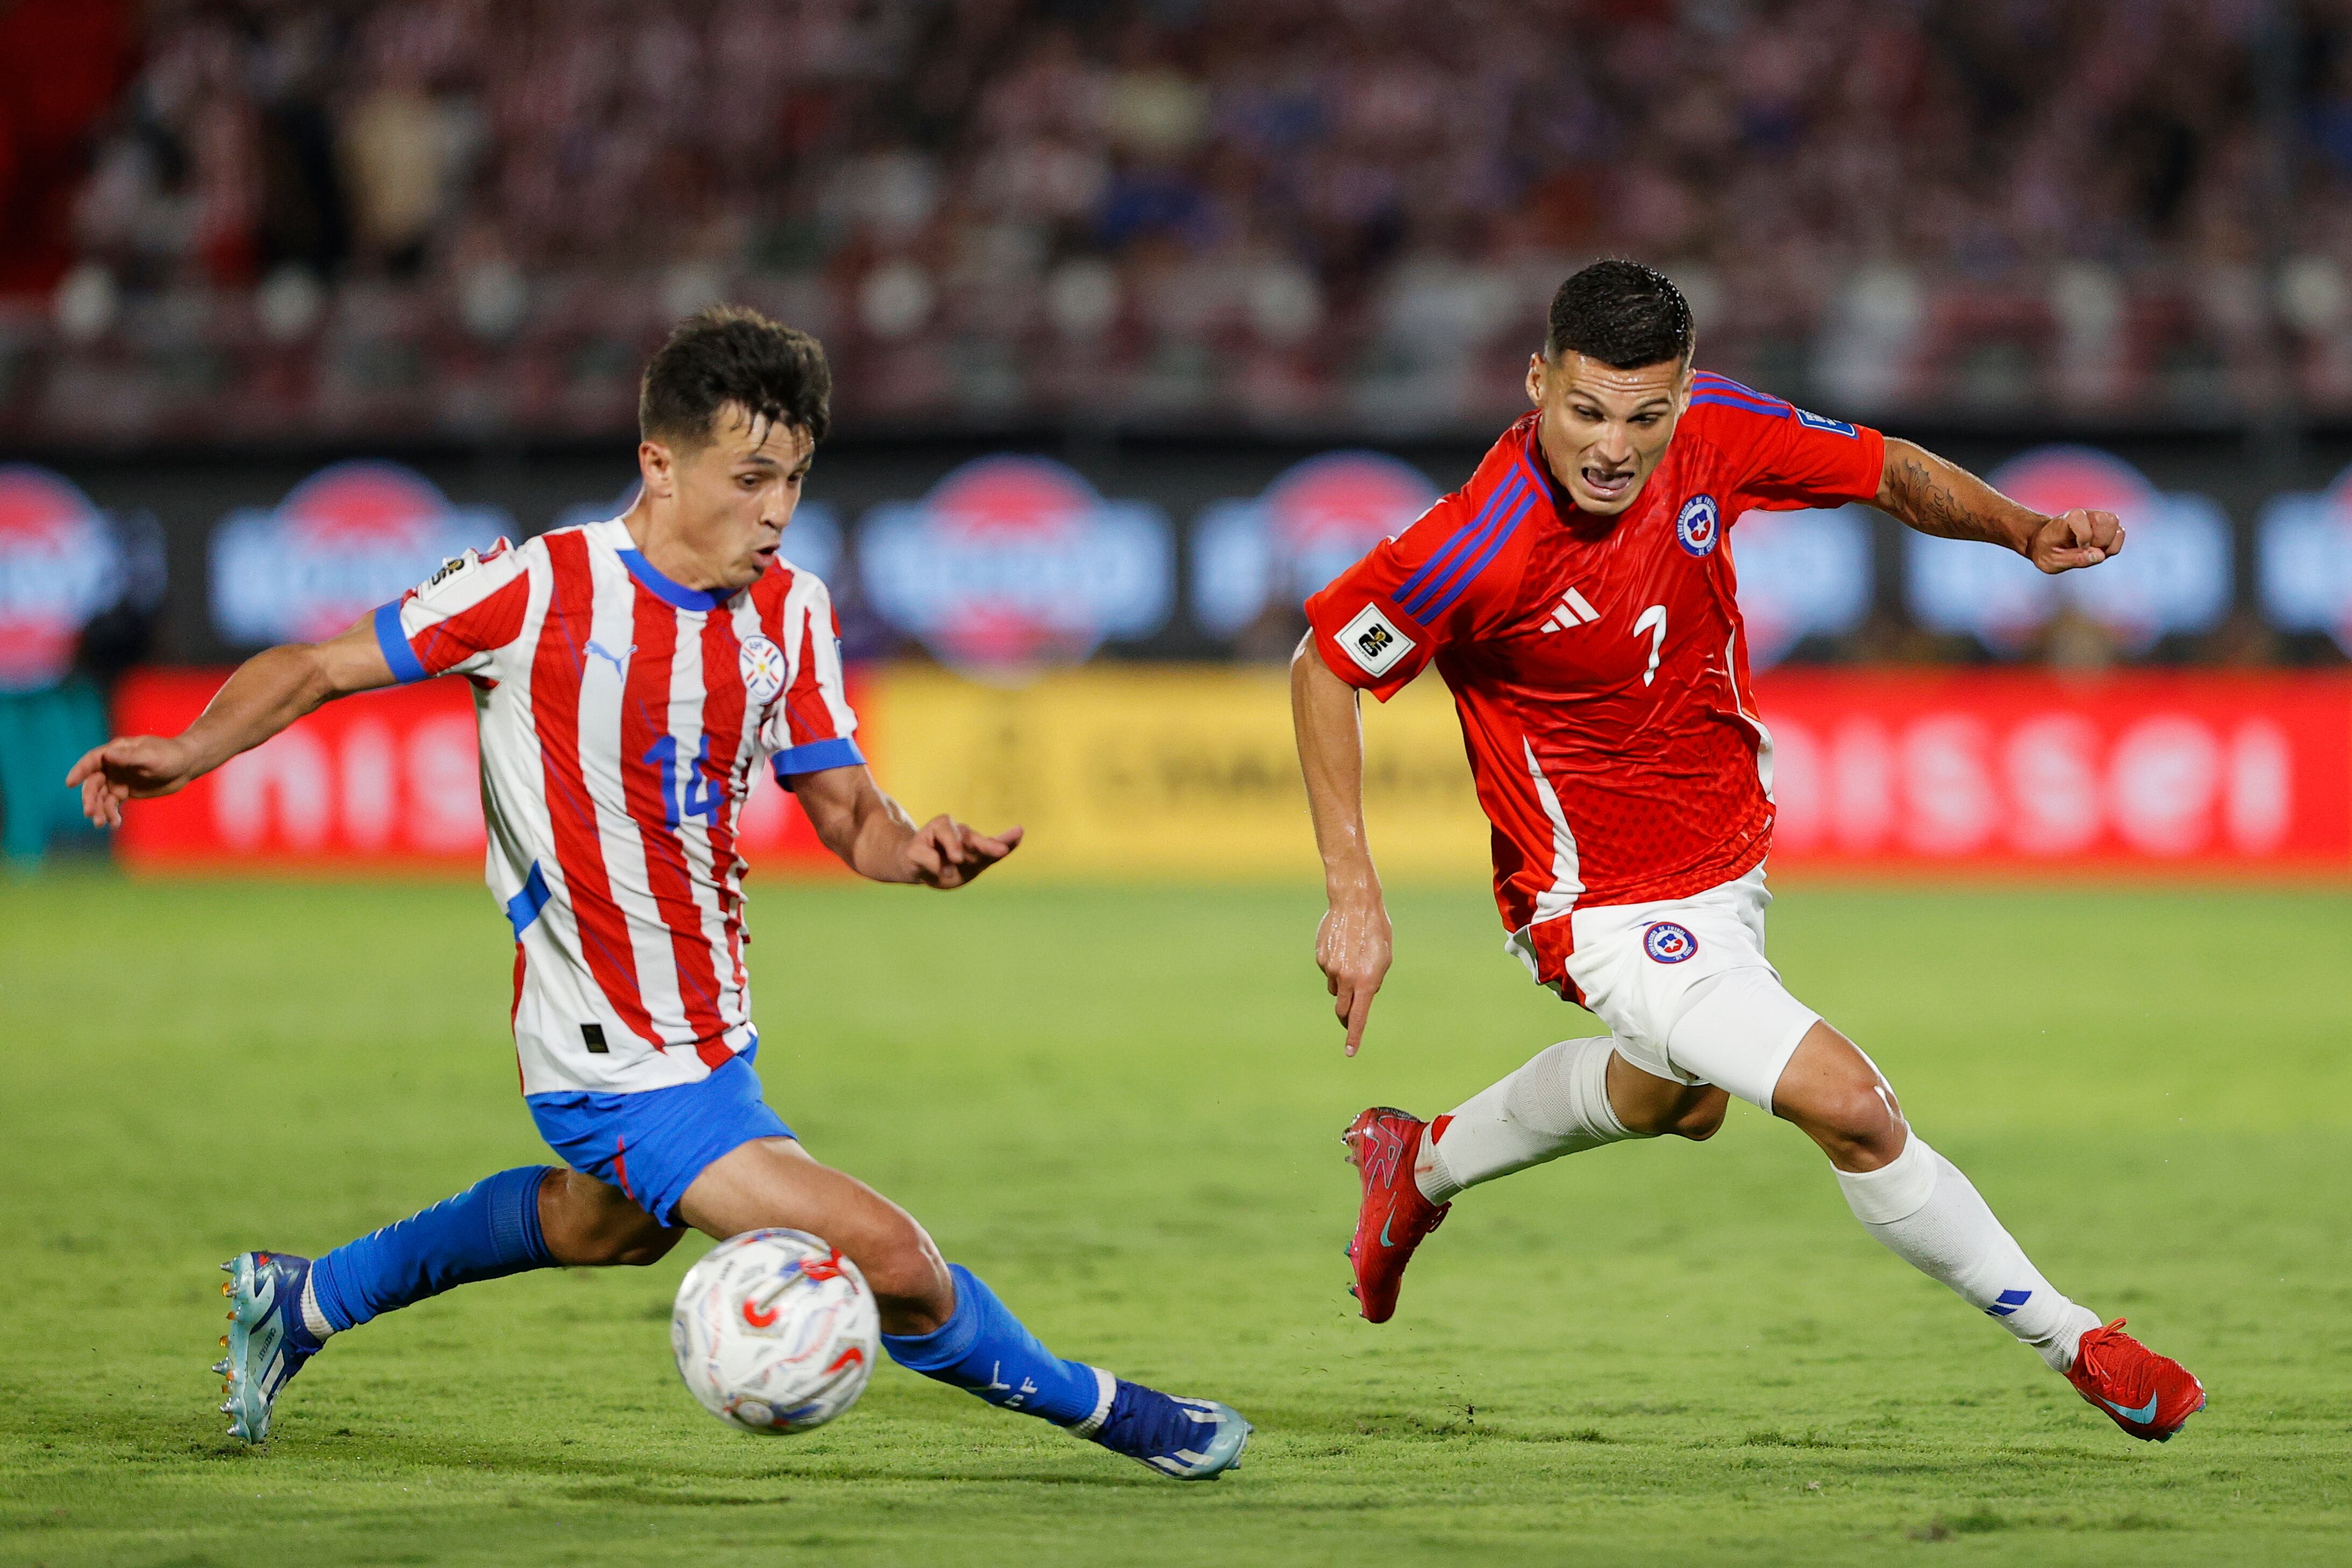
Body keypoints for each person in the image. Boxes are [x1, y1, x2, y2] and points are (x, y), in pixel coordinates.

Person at [70, 306, 1250, 1477]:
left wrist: (909, 846)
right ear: (658, 462)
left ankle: (305, 1296)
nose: (777, 509)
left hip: (710, 1028)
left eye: (793, 477)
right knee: (893, 1260)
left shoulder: (791, 610)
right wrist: (187, 749)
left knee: (606, 1227)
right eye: (749, 478)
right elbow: (319, 664)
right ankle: (1122, 1416)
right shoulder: (536, 589)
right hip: (609, 1048)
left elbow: (843, 807)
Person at [1290, 260, 2202, 1443]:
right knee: (1851, 1106)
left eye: (1642, 413)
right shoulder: (1478, 539)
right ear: (1536, 383)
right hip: (1597, 904)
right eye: (1584, 411)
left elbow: (1887, 470)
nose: (1613, 447)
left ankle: (1413, 1165)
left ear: (1678, 396)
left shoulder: (1715, 428)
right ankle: (2078, 1339)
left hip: (1726, 862)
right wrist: (1353, 896)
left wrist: (2020, 531)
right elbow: (1324, 667)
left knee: (1669, 1100)